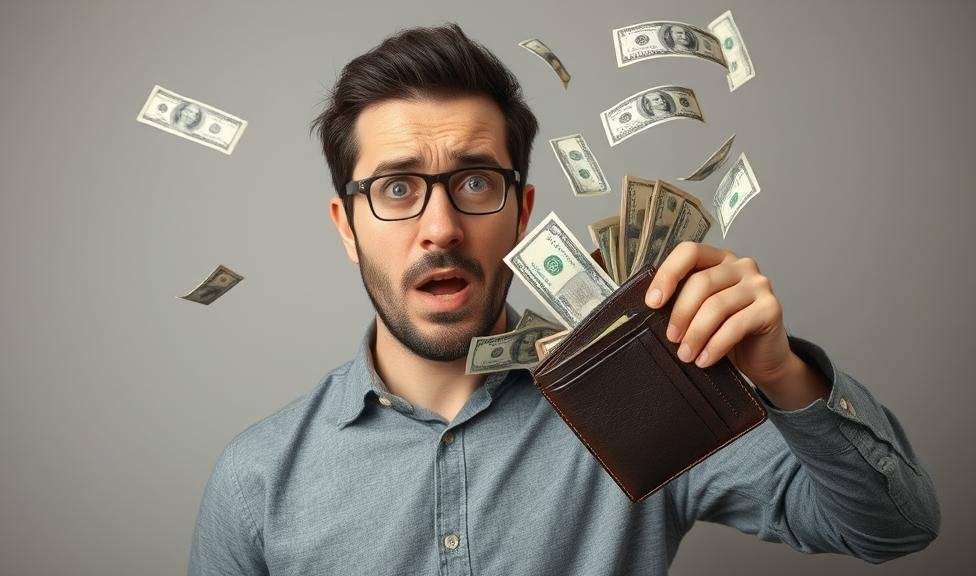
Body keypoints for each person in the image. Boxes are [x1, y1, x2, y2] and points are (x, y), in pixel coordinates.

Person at [188, 24, 939, 575]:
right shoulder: (257, 478)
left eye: (476, 181)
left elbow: (893, 527)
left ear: (523, 213)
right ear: (346, 227)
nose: (441, 228)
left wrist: (782, 374)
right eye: (396, 189)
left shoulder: (651, 400)